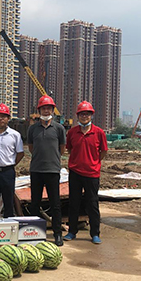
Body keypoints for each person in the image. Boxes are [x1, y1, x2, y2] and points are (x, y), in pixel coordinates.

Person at [64, 101, 107, 244]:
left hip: (92, 174)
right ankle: (72, 231)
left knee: (92, 204)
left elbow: (103, 151)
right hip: (75, 172)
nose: (84, 116)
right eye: (82, 114)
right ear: (78, 116)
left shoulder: (99, 133)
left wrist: (93, 162)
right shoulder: (72, 132)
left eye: (87, 114)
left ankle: (95, 233)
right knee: (74, 203)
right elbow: (70, 149)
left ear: (91, 116)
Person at [27, 95, 67, 246]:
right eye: (43, 108)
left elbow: (61, 149)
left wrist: (52, 159)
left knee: (55, 203)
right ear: (39, 110)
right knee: (35, 203)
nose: (46, 111)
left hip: (52, 170)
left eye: (48, 108)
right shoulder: (33, 129)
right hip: (36, 170)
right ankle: (34, 233)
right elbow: (31, 148)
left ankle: (57, 234)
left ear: (52, 110)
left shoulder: (59, 128)